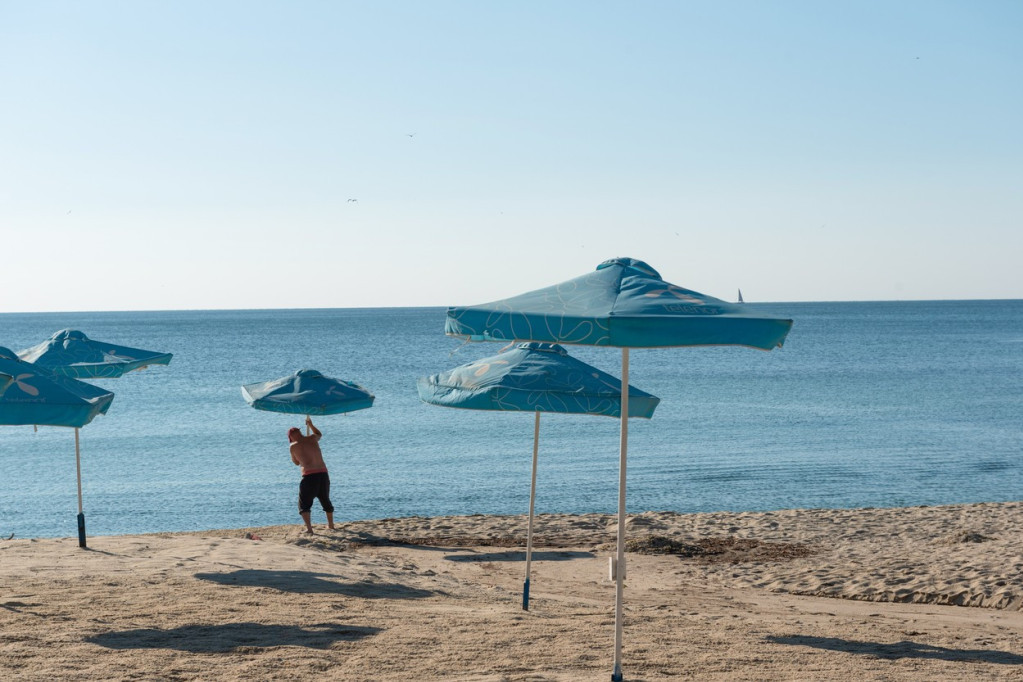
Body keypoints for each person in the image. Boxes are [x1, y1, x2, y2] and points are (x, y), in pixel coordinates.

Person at [288, 416, 335, 533]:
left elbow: (296, 462)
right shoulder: (312, 438)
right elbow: (319, 434)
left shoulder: (293, 446)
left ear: (291, 437)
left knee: (304, 503)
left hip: (309, 476)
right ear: (300, 432)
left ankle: (309, 529)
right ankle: (331, 525)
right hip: (323, 473)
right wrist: (311, 425)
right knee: (325, 499)